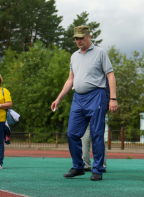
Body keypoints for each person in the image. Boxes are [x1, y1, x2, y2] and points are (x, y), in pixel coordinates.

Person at [51, 26, 118, 181]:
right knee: (72, 134)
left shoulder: (100, 52)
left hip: (97, 96)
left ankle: (98, 169)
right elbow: (70, 79)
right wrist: (59, 98)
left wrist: (113, 98)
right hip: (78, 98)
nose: (78, 41)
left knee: (96, 134)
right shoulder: (74, 56)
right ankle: (78, 166)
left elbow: (110, 75)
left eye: (81, 38)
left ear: (89, 36)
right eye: (76, 38)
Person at [82, 79, 110, 172]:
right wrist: (107, 104)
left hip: (85, 105)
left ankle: (85, 164)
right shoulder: (102, 74)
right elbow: (107, 89)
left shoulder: (84, 72)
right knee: (98, 135)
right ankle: (102, 164)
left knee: (86, 135)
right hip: (98, 105)